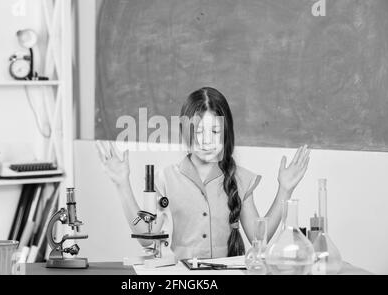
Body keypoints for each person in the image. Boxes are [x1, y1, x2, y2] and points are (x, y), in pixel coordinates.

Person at [95, 87, 310, 260]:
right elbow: (147, 238)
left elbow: (258, 238)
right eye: (198, 132)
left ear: (226, 134)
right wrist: (122, 184)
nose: (206, 140)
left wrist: (285, 190)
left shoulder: (240, 178)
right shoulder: (167, 179)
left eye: (215, 132)